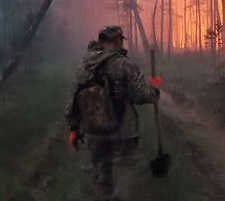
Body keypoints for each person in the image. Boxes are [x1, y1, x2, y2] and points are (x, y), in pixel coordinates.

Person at [65, 25, 159, 201]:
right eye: (120, 41)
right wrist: (154, 91)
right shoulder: (122, 64)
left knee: (102, 178)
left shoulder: (85, 65)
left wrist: (74, 129)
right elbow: (140, 94)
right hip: (123, 132)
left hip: (95, 133)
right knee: (124, 180)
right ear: (117, 41)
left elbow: (74, 98)